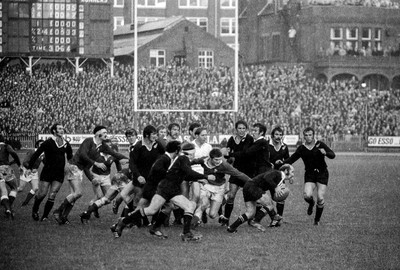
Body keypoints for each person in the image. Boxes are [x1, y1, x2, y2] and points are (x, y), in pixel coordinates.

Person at [112, 142, 215, 242]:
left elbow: (185, 174)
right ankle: (124, 221)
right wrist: (205, 176)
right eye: (191, 153)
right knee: (151, 210)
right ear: (183, 152)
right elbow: (188, 172)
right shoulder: (183, 158)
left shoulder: (182, 159)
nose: (192, 156)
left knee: (189, 206)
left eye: (193, 153)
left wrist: (198, 178)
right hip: (166, 188)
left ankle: (185, 233)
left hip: (171, 189)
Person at [54, 125, 127, 224]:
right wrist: (96, 163)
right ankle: (58, 211)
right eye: (104, 132)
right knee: (78, 193)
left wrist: (130, 160)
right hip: (73, 166)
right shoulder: (88, 141)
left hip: (79, 169)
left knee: (74, 195)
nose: (106, 134)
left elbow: (115, 154)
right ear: (97, 133)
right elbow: (83, 155)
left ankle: (63, 217)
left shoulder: (102, 146)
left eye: (106, 133)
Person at [281, 127, 335, 225]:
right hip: (310, 174)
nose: (308, 137)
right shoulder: (302, 148)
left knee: (320, 198)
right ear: (303, 136)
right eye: (306, 135)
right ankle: (311, 203)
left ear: (313, 135)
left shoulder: (320, 144)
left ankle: (317, 220)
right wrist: (280, 163)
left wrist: (326, 153)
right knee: (307, 196)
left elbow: (332, 155)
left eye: (310, 135)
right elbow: (291, 159)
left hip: (322, 173)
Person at [192, 148, 252, 227]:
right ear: (210, 158)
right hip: (206, 187)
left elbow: (238, 174)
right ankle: (191, 227)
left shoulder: (224, 165)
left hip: (219, 188)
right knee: (202, 205)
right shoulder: (203, 160)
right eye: (216, 160)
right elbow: (191, 162)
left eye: (220, 159)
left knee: (212, 215)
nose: (218, 161)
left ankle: (224, 198)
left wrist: (252, 181)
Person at [227, 164, 294, 233]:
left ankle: (232, 227)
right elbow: (266, 177)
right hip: (253, 187)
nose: (293, 174)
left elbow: (274, 192)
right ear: (286, 170)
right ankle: (255, 221)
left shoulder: (280, 178)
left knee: (250, 213)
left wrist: (278, 194)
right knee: (269, 204)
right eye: (292, 172)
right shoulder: (277, 173)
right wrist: (276, 187)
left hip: (247, 187)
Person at [28, 124, 73, 222]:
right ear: (54, 131)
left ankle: (45, 216)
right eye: (60, 129)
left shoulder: (65, 143)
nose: (62, 130)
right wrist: (29, 167)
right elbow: (36, 154)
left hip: (59, 173)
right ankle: (35, 210)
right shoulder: (48, 142)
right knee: (42, 194)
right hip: (47, 171)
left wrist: (68, 164)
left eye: (62, 129)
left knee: (52, 195)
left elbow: (70, 155)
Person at [119, 125, 165, 218]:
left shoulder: (157, 144)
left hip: (153, 178)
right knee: (138, 198)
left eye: (156, 134)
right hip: (140, 177)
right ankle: (135, 220)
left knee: (154, 198)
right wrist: (138, 176)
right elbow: (132, 164)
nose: (156, 136)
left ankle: (152, 222)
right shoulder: (138, 146)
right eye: (153, 134)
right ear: (147, 135)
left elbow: (164, 156)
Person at [250, 126, 290, 229]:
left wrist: (284, 165)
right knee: (261, 197)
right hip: (266, 174)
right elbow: (263, 158)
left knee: (279, 196)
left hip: (278, 175)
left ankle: (278, 218)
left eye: (280, 135)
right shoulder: (267, 145)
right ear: (272, 135)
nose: (278, 137)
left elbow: (287, 161)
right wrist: (271, 164)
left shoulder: (284, 147)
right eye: (276, 134)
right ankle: (256, 218)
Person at [219, 120, 254, 226]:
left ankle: (253, 219)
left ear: (246, 129)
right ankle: (226, 219)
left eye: (244, 128)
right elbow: (228, 156)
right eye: (240, 128)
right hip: (236, 172)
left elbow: (246, 154)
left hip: (248, 172)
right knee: (231, 196)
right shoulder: (231, 139)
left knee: (253, 197)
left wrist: (232, 154)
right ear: (236, 129)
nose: (242, 130)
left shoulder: (249, 139)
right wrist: (225, 153)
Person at [87, 138, 122, 218]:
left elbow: (118, 163)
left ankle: (94, 208)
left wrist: (120, 173)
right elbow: (87, 167)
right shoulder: (96, 154)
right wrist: (92, 179)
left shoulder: (113, 155)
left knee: (108, 199)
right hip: (96, 176)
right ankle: (88, 213)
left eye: (109, 146)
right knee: (98, 197)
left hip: (106, 177)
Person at [112, 128, 138, 215]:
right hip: (134, 173)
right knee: (132, 195)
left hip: (139, 173)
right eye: (129, 136)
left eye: (132, 136)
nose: (131, 138)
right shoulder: (130, 146)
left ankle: (118, 203)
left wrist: (127, 161)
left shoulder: (138, 146)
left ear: (136, 136)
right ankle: (127, 218)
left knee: (131, 195)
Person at [0, 134, 22, 219]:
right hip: (5, 168)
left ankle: (8, 209)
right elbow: (13, 153)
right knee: (14, 187)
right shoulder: (6, 146)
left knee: (3, 190)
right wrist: (19, 164)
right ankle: (8, 208)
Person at [18, 139, 45, 206]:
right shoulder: (32, 152)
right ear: (37, 145)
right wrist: (31, 168)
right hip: (26, 170)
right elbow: (25, 162)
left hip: (34, 172)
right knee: (20, 189)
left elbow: (45, 162)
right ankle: (6, 196)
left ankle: (25, 202)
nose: (43, 146)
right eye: (41, 144)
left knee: (35, 188)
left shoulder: (43, 154)